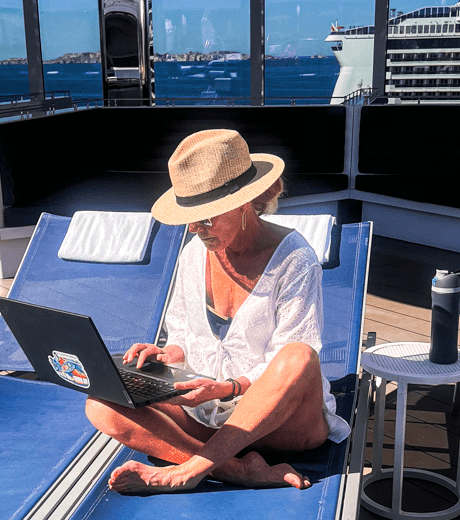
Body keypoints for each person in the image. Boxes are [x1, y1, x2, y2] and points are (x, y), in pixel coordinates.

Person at [84, 129, 350, 494]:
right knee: (101, 405)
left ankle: (189, 469)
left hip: (281, 425)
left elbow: (291, 364)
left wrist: (227, 388)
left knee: (299, 356)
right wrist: (166, 354)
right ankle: (234, 469)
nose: (195, 228)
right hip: (205, 413)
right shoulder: (195, 252)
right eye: (190, 218)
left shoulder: (294, 260)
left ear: (245, 204)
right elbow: (181, 334)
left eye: (205, 217)